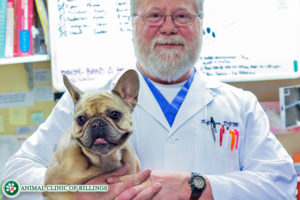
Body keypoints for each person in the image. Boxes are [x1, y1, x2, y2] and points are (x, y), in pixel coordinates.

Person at [2, 0, 297, 199]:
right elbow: (12, 184)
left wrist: (195, 186)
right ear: (132, 24)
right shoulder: (83, 107)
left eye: (182, 15)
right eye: (154, 15)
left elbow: (282, 183)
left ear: (201, 25)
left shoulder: (241, 105)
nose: (168, 27)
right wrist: (72, 190)